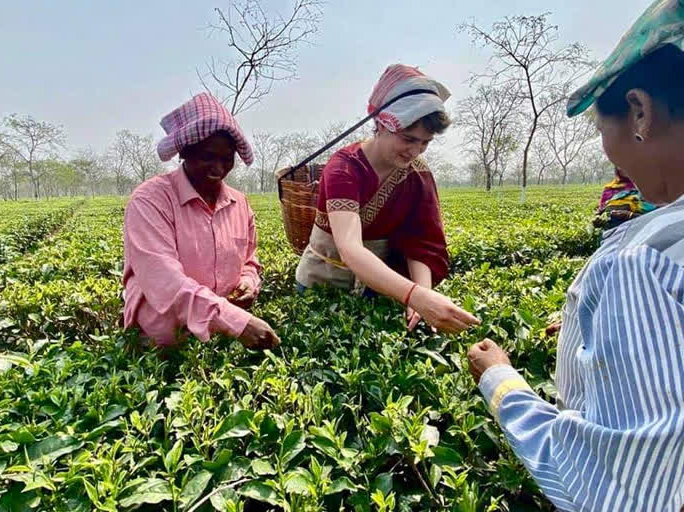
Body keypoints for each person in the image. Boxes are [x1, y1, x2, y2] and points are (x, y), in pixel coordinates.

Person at [467, 1, 684, 510]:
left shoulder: (643, 262)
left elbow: (620, 487)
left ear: (639, 111)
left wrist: (501, 383)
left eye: (598, 126)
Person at [294, 64, 478, 333]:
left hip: (380, 288)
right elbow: (350, 248)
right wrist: (416, 296)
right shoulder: (344, 168)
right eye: (408, 138)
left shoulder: (417, 175)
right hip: (322, 284)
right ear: (381, 124)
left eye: (425, 142)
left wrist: (421, 298)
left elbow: (421, 242)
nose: (415, 151)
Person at [123, 93, 280, 352]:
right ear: (185, 151)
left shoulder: (240, 204)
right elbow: (164, 281)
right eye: (208, 156)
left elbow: (250, 260)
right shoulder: (150, 200)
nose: (218, 168)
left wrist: (248, 281)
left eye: (227, 158)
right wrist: (235, 321)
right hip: (162, 350)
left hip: (224, 343)